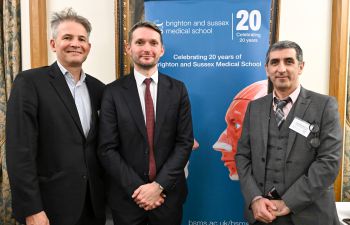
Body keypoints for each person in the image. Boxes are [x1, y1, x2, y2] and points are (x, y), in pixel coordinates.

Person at [6, 8, 105, 225]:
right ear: (53, 44)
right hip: (49, 209)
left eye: (81, 39)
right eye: (67, 37)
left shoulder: (99, 89)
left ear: (88, 46)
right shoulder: (30, 83)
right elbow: (19, 152)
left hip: (93, 206)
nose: (75, 43)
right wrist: (32, 209)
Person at [235, 40, 342, 225]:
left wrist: (288, 202)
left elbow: (329, 162)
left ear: (300, 67)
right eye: (274, 62)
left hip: (310, 216)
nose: (281, 69)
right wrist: (255, 199)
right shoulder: (254, 108)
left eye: (289, 61)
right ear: (267, 69)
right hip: (264, 215)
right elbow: (243, 156)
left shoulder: (324, 106)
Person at [98, 21, 193, 225]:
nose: (147, 48)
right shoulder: (112, 92)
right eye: (140, 42)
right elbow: (107, 149)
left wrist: (158, 186)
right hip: (127, 199)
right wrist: (141, 191)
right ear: (128, 48)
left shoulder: (178, 90)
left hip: (167, 197)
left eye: (153, 43)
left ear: (161, 49)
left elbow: (184, 142)